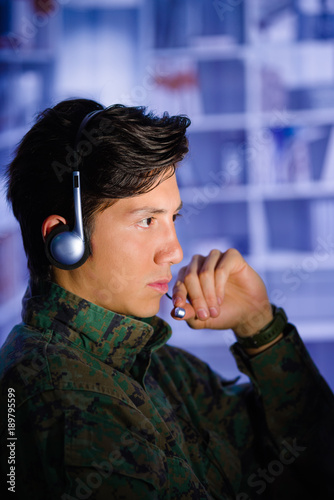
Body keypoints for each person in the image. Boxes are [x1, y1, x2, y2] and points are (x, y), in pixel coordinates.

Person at [0, 98, 333, 500]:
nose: (173, 252)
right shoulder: (66, 399)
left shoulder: (151, 359)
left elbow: (316, 464)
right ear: (64, 239)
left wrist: (260, 326)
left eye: (171, 218)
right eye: (146, 221)